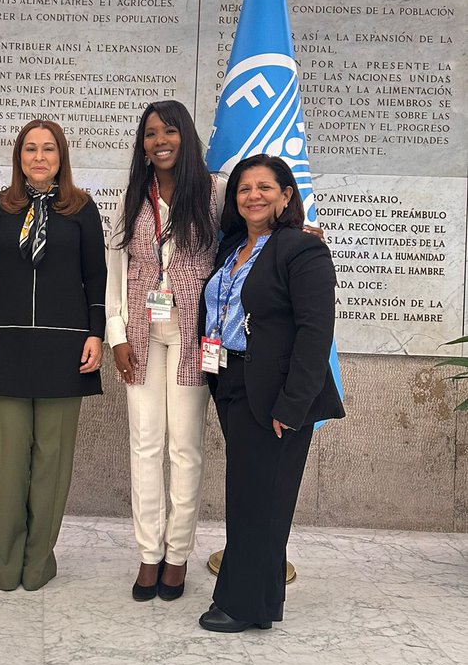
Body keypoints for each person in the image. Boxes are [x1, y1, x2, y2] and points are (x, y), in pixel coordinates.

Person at [198, 154, 344, 633]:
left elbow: (315, 331)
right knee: (247, 494)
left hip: (278, 395)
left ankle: (243, 605)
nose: (253, 195)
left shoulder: (302, 250)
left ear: (286, 196)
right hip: (233, 382)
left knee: (266, 500)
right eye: (244, 188)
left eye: (265, 187)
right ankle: (253, 600)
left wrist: (294, 404)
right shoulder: (232, 248)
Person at [0, 119, 106, 592]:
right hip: (6, 345)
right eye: (31, 149)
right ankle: (5, 565)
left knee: (52, 461)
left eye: (49, 149)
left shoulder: (82, 210)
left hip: (65, 348)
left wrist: (96, 334)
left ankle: (38, 561)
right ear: (19, 156)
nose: (40, 157)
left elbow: (97, 277)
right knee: (9, 464)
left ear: (61, 156)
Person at [106, 101, 224, 603]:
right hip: (141, 335)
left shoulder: (214, 193)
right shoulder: (132, 196)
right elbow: (114, 266)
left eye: (169, 131)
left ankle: (177, 556)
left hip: (194, 336)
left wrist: (301, 230)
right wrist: (116, 334)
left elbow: (255, 232)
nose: (160, 140)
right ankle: (148, 555)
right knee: (145, 444)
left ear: (185, 136)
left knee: (185, 447)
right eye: (151, 133)